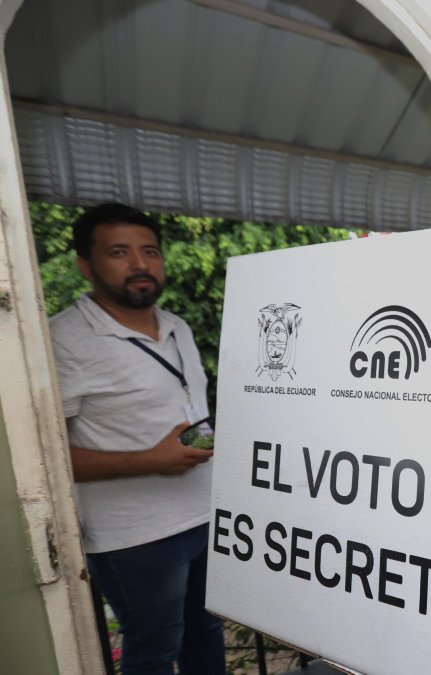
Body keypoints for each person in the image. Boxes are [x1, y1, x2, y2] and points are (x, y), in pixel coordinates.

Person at [49, 203, 224, 675]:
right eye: (119, 252)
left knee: (207, 634)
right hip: (134, 536)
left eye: (150, 251)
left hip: (204, 514)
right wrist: (149, 460)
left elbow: (189, 415)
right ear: (86, 265)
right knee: (153, 650)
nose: (140, 264)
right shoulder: (63, 339)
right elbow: (45, 461)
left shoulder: (178, 327)